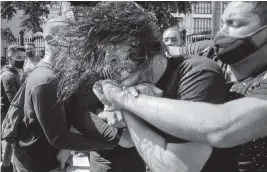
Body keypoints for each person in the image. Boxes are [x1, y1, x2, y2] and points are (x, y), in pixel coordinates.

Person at [94, 2, 267, 172]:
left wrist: (125, 100)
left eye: (234, 23)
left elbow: (219, 126)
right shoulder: (208, 52)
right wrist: (110, 85)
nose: (222, 32)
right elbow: (157, 54)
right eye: (222, 22)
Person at [12, 16, 133, 172]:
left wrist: (112, 134)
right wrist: (113, 142)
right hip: (39, 163)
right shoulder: (46, 79)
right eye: (72, 40)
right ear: (51, 40)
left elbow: (76, 112)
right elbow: (59, 137)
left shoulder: (60, 73)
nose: (79, 46)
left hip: (53, 159)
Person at [1, 45, 26, 172]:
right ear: (10, 58)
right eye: (18, 58)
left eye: (23, 57)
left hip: (14, 114)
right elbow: (14, 100)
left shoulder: (16, 71)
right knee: (10, 147)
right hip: (9, 115)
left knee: (12, 147)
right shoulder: (8, 76)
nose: (21, 60)